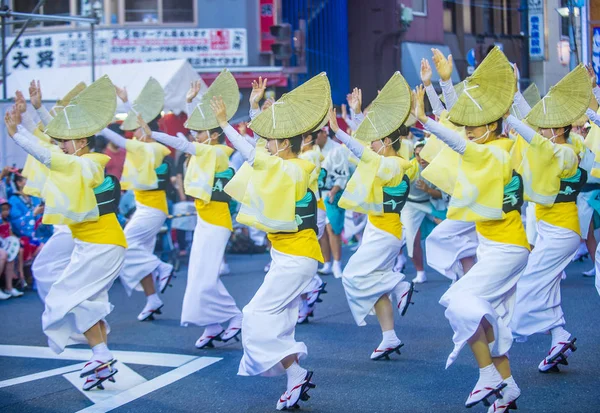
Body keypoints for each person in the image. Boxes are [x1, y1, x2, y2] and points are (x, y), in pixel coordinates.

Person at [414, 47, 529, 413]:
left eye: (475, 125)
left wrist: (425, 121)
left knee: (460, 303)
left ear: (493, 125)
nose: (467, 129)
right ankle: (506, 385)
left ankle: (488, 376)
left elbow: (458, 141)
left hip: (509, 249)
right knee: (486, 314)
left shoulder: (500, 151)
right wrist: (444, 84)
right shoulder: (487, 144)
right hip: (491, 247)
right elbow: (458, 123)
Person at [213, 73, 329, 410]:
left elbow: (254, 154)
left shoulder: (298, 167)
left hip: (297, 257)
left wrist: (224, 124)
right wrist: (252, 107)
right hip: (286, 255)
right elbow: (261, 148)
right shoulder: (280, 161)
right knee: (276, 323)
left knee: (253, 315)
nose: (267, 142)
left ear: (285, 143)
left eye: (273, 139)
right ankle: (295, 376)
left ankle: (296, 372)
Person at [7, 75, 127, 391]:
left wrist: (18, 133)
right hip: (93, 245)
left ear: (83, 141)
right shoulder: (78, 160)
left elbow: (52, 155)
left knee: (68, 295)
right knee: (86, 301)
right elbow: (55, 148)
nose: (60, 144)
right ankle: (101, 354)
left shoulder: (89, 165)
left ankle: (95, 349)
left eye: (66, 140)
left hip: (102, 245)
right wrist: (33, 114)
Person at [508, 64, 591, 373]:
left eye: (546, 126)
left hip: (562, 230)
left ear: (558, 129)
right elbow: (534, 126)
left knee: (530, 281)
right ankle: (558, 336)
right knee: (548, 285)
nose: (541, 128)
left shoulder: (568, 151)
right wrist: (515, 92)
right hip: (554, 229)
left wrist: (511, 118)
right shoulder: (557, 145)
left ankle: (516, 330)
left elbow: (536, 138)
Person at [152, 70, 243, 349]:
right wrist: (191, 103)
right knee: (197, 278)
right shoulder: (204, 150)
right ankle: (212, 324)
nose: (195, 135)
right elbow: (192, 137)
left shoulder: (215, 152)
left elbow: (184, 142)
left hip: (217, 222)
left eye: (201, 132)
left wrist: (151, 132)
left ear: (213, 134)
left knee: (206, 279)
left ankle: (235, 316)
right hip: (204, 220)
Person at [330, 77, 415, 362]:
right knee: (373, 281)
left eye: (377, 138)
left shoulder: (395, 164)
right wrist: (355, 115)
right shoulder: (389, 161)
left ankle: (398, 284)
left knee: (355, 276)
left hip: (385, 233)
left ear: (388, 141)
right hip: (379, 230)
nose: (371, 142)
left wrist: (339, 131)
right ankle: (389, 336)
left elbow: (362, 151)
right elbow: (364, 148)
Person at [102, 80, 175, 322]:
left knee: (125, 246)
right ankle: (152, 299)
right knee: (139, 253)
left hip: (152, 210)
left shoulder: (152, 148)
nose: (133, 133)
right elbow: (135, 125)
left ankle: (160, 267)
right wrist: (125, 100)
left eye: (138, 130)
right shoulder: (146, 147)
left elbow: (123, 141)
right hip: (148, 208)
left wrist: (99, 126)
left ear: (147, 130)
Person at [400, 140, 447, 284]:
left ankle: (455, 269)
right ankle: (420, 272)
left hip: (431, 203)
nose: (421, 158)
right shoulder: (410, 168)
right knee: (411, 238)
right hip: (410, 205)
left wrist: (428, 190)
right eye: (417, 155)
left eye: (424, 154)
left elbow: (444, 195)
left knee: (449, 233)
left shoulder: (438, 168)